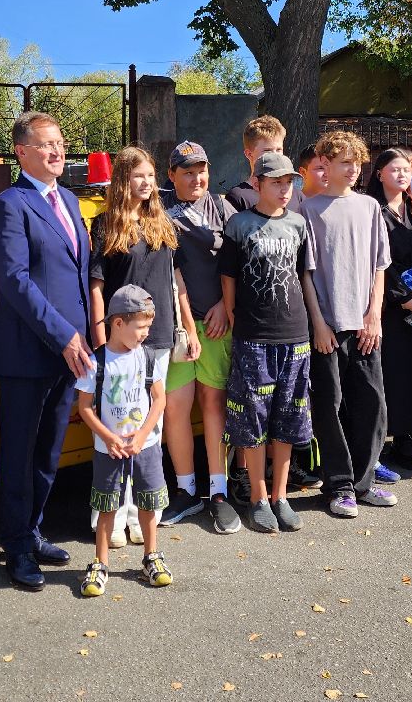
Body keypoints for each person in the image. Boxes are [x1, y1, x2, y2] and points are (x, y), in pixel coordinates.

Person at [0, 112, 93, 591]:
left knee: (49, 452)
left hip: (71, 354)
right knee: (19, 454)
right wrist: (64, 334)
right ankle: (17, 547)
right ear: (22, 152)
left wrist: (86, 336)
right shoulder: (10, 204)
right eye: (46, 144)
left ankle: (34, 529)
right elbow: (15, 281)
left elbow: (77, 275)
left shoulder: (69, 200)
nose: (57, 151)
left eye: (61, 142)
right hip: (29, 352)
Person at [87, 146, 198, 546]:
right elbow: (97, 288)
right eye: (138, 176)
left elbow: (177, 281)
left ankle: (139, 514)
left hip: (160, 336)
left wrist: (190, 327)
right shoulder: (105, 226)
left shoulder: (162, 223)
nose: (147, 183)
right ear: (122, 180)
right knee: (115, 423)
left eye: (151, 175)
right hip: (119, 340)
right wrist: (101, 337)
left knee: (149, 426)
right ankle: (110, 518)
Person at [217, 150, 315, 534]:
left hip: (295, 335)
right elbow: (228, 275)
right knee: (252, 422)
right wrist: (230, 311)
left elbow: (304, 276)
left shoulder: (298, 224)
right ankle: (257, 497)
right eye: (276, 182)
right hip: (254, 337)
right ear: (257, 183)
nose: (284, 189)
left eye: (289, 182)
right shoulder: (239, 225)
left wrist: (314, 323)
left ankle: (281, 496)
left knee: (288, 420)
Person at [302, 131, 396, 518]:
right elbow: (305, 274)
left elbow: (379, 267)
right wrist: (320, 324)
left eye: (357, 162)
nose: (353, 169)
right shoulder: (308, 210)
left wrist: (374, 314)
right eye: (345, 162)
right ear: (325, 163)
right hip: (327, 325)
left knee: (372, 403)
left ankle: (363, 481)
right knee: (330, 405)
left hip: (364, 326)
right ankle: (339, 485)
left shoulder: (370, 207)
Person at [161, 140, 241, 535]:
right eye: (187, 171)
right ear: (172, 175)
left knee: (214, 404)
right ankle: (186, 489)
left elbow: (237, 262)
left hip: (216, 325)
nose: (197, 177)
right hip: (176, 328)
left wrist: (226, 306)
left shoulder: (223, 207)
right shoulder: (160, 212)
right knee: (175, 408)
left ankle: (219, 491)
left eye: (202, 169)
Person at [76, 284, 173, 597]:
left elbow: (159, 400)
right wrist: (108, 436)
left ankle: (151, 555)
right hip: (109, 449)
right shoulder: (97, 362)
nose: (146, 333)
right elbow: (84, 407)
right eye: (141, 327)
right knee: (107, 506)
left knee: (147, 501)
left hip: (144, 447)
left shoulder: (148, 358)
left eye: (148, 326)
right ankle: (100, 563)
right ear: (118, 323)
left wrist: (143, 435)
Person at [367, 148, 412, 471]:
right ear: (380, 173)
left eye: (407, 170)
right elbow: (379, 262)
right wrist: (404, 296)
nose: (401, 175)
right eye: (394, 169)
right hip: (390, 307)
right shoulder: (374, 211)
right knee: (395, 373)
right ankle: (399, 438)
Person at [225, 115, 306, 214]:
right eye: (268, 151)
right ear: (249, 154)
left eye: (279, 150)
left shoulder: (296, 195)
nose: (275, 156)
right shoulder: (239, 196)